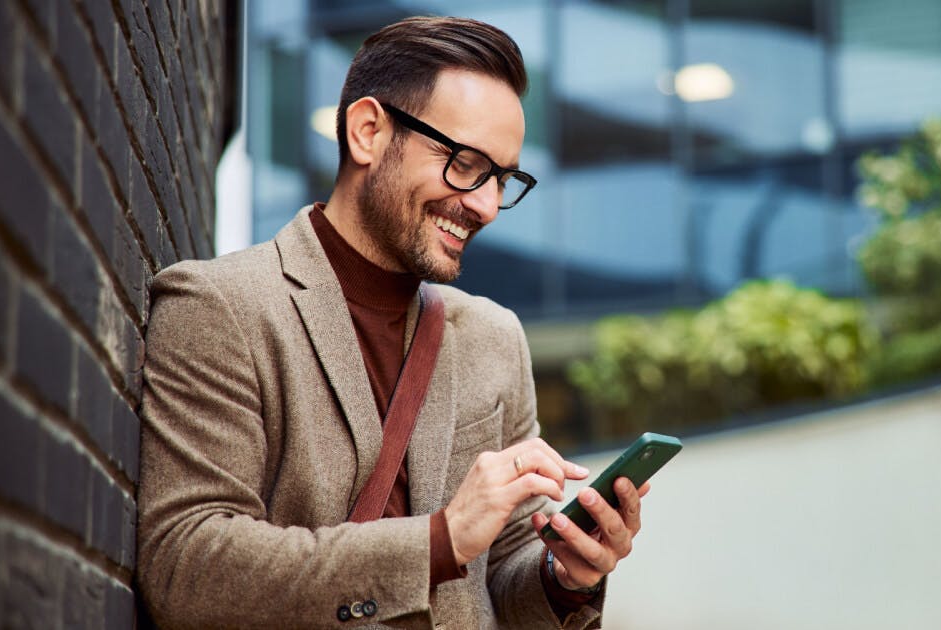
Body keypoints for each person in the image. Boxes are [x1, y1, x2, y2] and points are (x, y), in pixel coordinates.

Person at [136, 16, 648, 629]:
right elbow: (184, 565)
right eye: (464, 163)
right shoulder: (219, 306)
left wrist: (563, 578)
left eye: (505, 179)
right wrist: (440, 541)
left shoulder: (496, 339)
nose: (486, 204)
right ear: (368, 132)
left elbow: (505, 573)